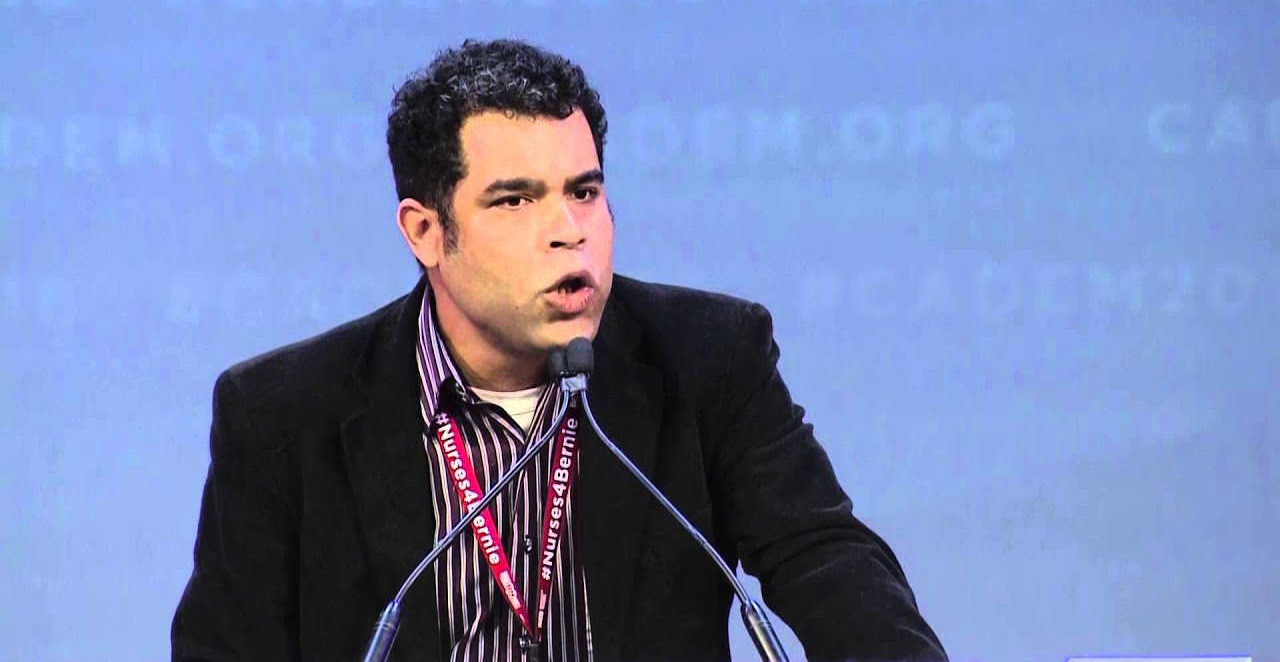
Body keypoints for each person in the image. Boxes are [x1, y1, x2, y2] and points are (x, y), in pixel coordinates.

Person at [171, 39, 947, 662]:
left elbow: (827, 560)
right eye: (515, 199)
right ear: (425, 231)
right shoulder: (283, 414)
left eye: (584, 191)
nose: (569, 230)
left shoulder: (710, 358)